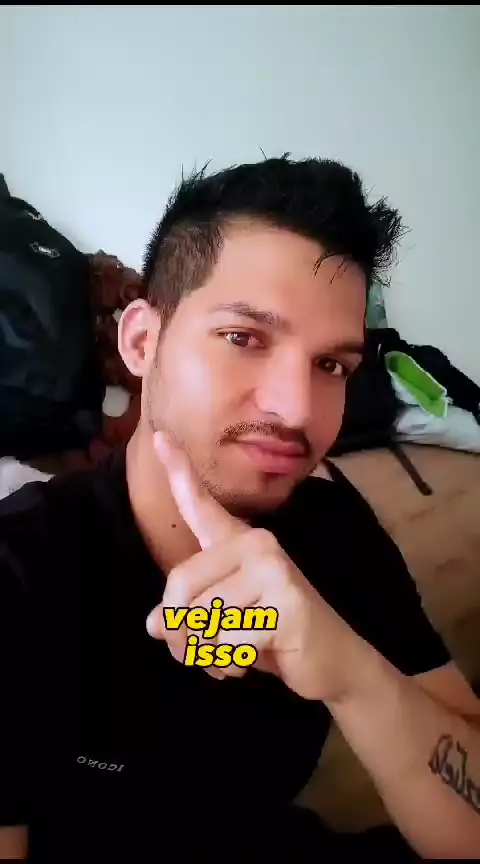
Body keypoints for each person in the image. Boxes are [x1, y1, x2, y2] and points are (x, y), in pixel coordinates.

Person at [1, 157, 479, 862]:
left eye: (331, 365)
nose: (296, 409)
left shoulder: (333, 529)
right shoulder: (21, 571)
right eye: (243, 338)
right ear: (142, 341)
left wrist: (351, 674)